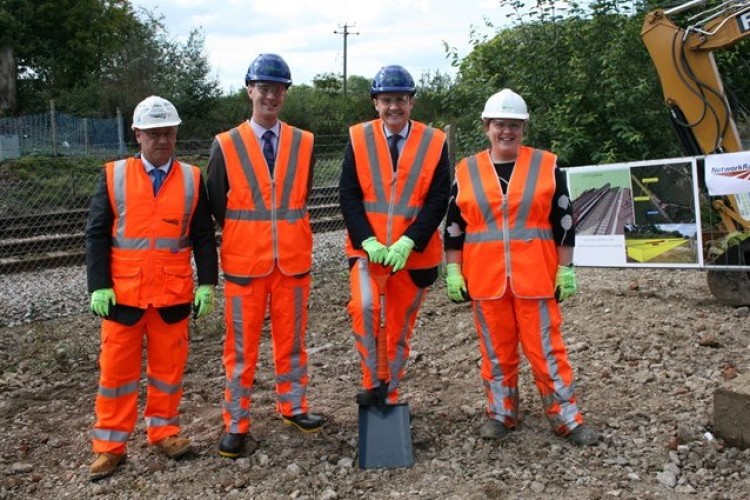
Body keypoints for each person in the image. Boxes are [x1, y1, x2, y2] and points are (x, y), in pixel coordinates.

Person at [443, 88, 598, 446]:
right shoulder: (466, 171)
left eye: (514, 124)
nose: (507, 131)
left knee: (547, 351)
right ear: (486, 126)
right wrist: (453, 270)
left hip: (537, 277)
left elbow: (564, 220)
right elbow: (454, 226)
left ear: (523, 128)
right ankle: (500, 413)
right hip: (485, 280)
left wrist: (566, 268)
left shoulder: (546, 165)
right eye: (500, 124)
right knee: (496, 352)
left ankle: (566, 418)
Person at [85, 95, 218, 480]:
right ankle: (110, 447)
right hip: (123, 296)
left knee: (167, 371)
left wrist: (207, 283)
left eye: (169, 133)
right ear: (138, 135)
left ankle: (164, 432)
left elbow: (204, 237)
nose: (163, 140)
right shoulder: (114, 175)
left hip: (172, 296)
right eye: (155, 133)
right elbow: (95, 234)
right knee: (115, 374)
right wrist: (99, 285)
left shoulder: (192, 179)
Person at [206, 53, 323, 459]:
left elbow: (300, 195)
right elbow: (217, 201)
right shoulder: (226, 143)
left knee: (292, 343)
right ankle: (235, 423)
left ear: (285, 94)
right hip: (245, 265)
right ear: (249, 90)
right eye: (264, 88)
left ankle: (293, 407)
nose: (271, 95)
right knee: (241, 350)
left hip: (291, 261)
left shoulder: (304, 142)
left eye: (278, 89)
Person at [339, 65, 450, 406]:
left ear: (411, 102)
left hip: (413, 254)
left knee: (400, 329)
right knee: (365, 308)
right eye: (386, 100)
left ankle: (390, 392)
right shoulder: (359, 138)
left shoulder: (434, 141)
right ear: (375, 103)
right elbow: (348, 194)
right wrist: (366, 240)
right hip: (367, 251)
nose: (394, 107)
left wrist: (409, 241)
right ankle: (373, 382)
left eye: (401, 99)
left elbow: (438, 198)